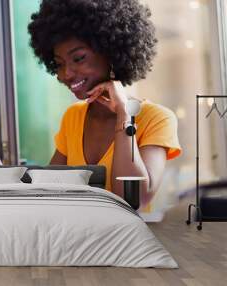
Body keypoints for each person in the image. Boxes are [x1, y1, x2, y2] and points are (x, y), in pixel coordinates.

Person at [28, 0, 181, 207]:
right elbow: (49, 190)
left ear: (110, 52)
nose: (66, 74)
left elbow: (134, 199)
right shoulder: (73, 117)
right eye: (59, 64)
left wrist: (124, 116)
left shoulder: (157, 118)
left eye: (78, 58)